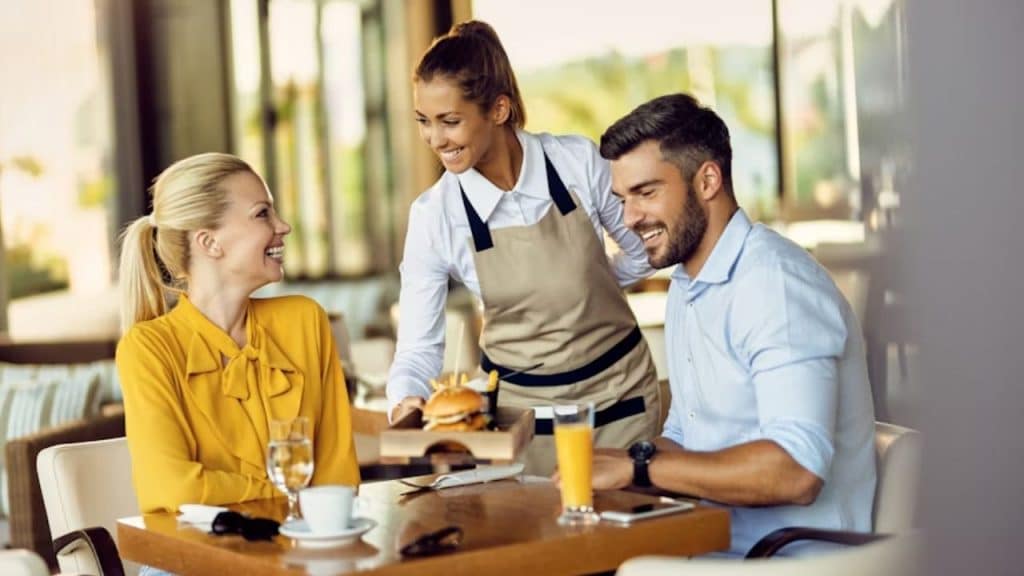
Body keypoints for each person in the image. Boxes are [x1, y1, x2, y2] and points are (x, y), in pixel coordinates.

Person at [589, 94, 876, 556]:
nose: (629, 218)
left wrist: (638, 470)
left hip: (795, 559)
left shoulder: (774, 285)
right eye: (622, 199)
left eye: (646, 193)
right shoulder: (686, 285)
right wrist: (618, 465)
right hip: (716, 544)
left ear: (707, 180)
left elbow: (797, 470)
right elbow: (687, 435)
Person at [387, 20, 661, 473]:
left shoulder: (576, 163)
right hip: (522, 425)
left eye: (450, 121)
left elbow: (642, 249)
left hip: (621, 404)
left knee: (626, 539)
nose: (435, 139)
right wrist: (405, 402)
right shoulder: (435, 216)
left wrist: (584, 285)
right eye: (423, 122)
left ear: (497, 110)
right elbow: (418, 348)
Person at [117, 152, 359, 515]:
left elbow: (337, 476)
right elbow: (171, 487)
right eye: (262, 213)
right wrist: (284, 490)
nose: (283, 226)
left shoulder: (305, 321)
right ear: (209, 242)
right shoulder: (149, 348)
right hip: (193, 562)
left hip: (301, 547)